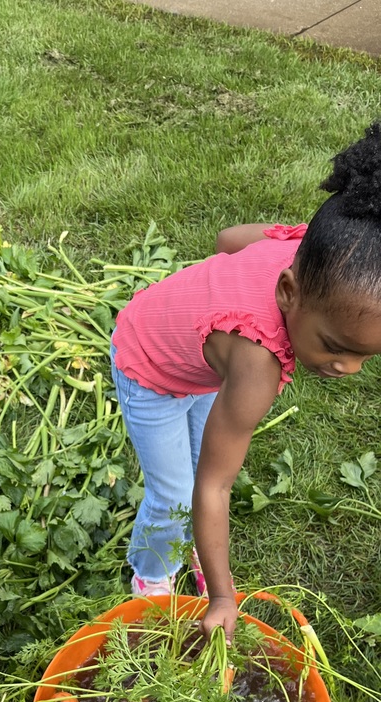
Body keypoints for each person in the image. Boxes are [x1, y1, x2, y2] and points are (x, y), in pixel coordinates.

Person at [111, 122, 381, 642]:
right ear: (288, 291)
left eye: (366, 356)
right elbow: (217, 485)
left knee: (194, 468)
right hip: (147, 366)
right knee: (175, 493)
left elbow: (227, 241)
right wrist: (222, 596)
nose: (348, 368)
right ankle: (151, 573)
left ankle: (192, 538)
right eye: (337, 346)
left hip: (198, 360)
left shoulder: (309, 249)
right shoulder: (258, 367)